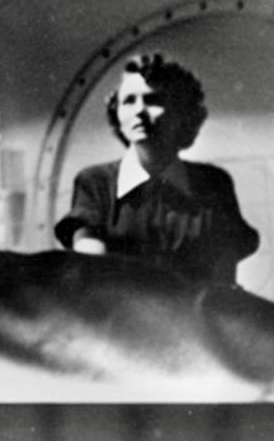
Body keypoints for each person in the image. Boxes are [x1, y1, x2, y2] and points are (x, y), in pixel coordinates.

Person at [54, 52, 258, 285]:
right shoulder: (95, 183)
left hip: (196, 309)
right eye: (128, 101)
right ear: (117, 112)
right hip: (117, 309)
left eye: (153, 100)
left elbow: (223, 287)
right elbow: (91, 277)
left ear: (181, 112)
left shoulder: (214, 183)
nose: (139, 111)